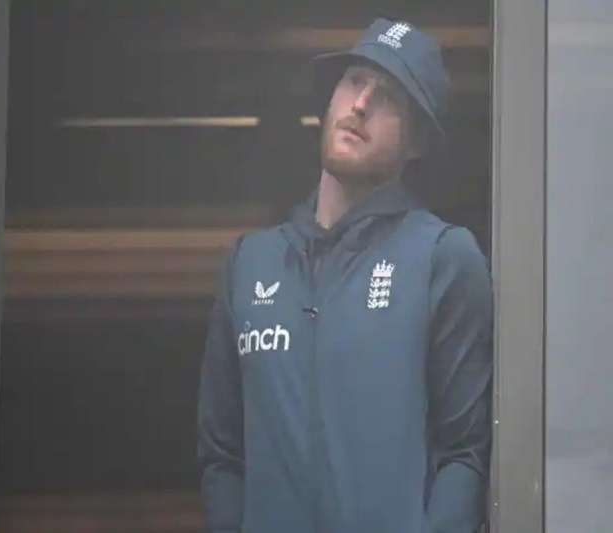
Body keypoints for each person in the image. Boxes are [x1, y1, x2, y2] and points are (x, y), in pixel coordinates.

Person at [196, 18, 493, 533]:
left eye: (388, 96)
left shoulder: (442, 258)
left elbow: (465, 453)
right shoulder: (250, 263)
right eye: (355, 81)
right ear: (329, 99)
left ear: (417, 141)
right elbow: (222, 454)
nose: (361, 104)